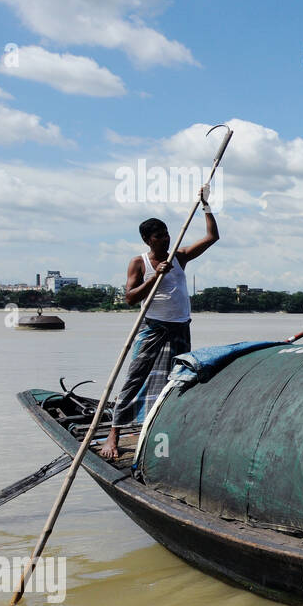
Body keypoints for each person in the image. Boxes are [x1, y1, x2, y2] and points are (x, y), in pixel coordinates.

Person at [100, 187, 219, 460]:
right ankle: (113, 434)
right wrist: (155, 277)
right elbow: (130, 298)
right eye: (159, 236)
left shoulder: (180, 256)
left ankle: (164, 428)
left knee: (176, 380)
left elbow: (213, 237)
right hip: (154, 328)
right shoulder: (139, 263)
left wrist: (206, 206)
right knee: (135, 378)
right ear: (147, 240)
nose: (165, 238)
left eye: (167, 233)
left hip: (180, 327)